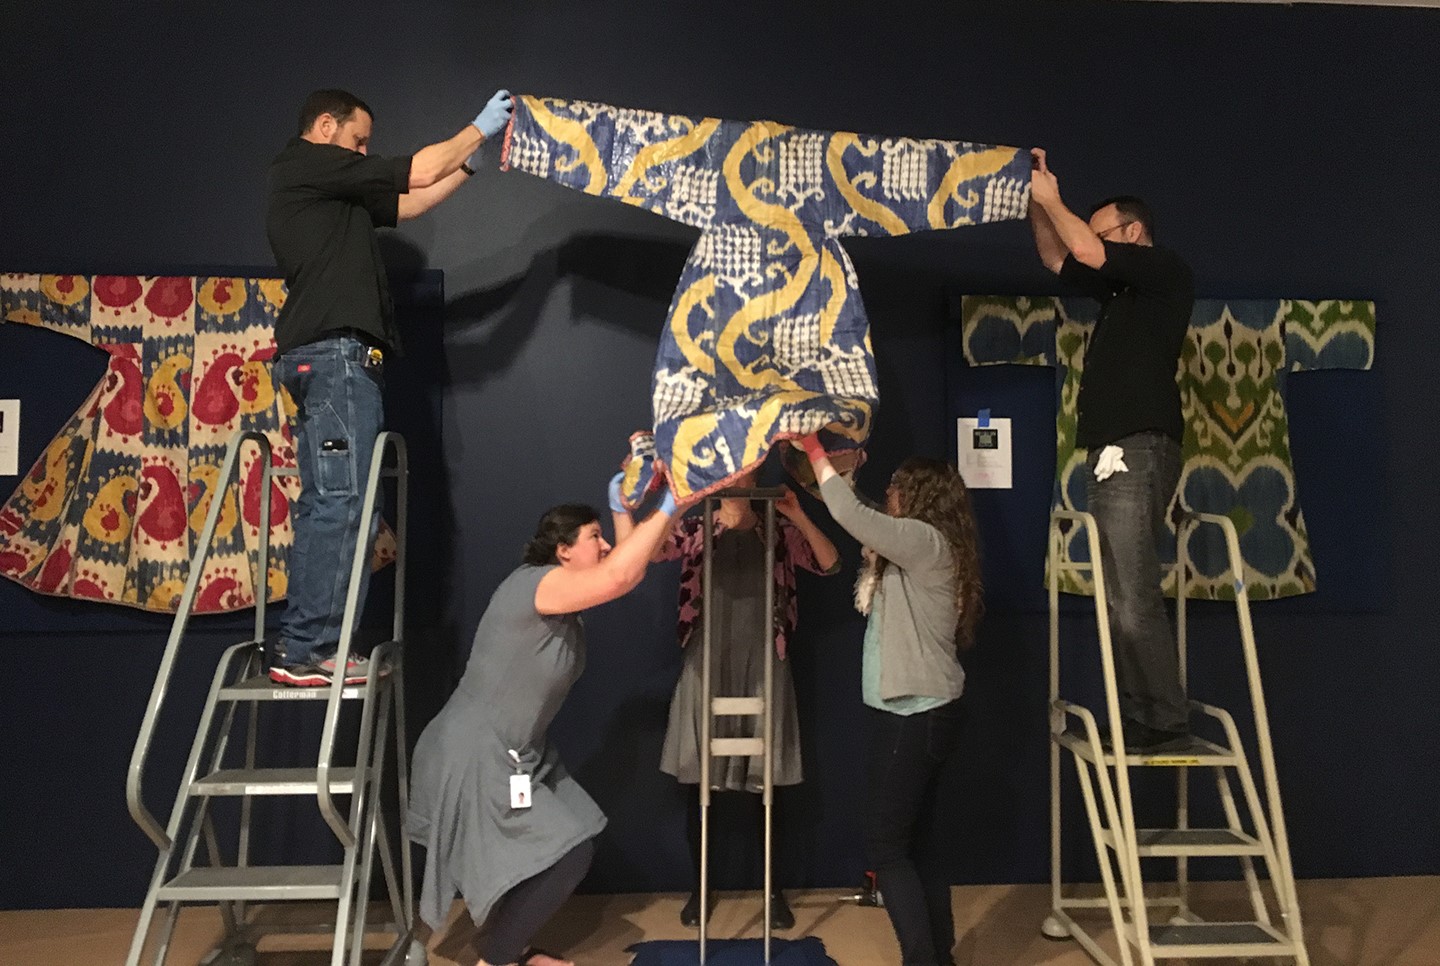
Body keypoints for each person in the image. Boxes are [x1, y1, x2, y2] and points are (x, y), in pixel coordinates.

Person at [265, 87, 513, 685]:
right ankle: (306, 650)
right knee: (341, 503)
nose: (364, 152)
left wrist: (470, 165)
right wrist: (477, 127)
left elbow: (411, 203)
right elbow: (420, 167)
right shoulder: (306, 163)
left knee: (340, 501)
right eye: (358, 141)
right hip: (335, 355)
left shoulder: (332, 193)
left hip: (333, 358)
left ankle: (309, 645)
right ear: (325, 127)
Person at [405, 486, 678, 966]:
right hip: (475, 751)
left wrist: (622, 510)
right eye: (595, 537)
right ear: (563, 550)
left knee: (565, 842)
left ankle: (502, 945)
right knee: (568, 854)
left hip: (517, 752)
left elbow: (634, 564)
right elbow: (620, 576)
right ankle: (500, 957)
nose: (606, 546)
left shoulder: (562, 597)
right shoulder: (538, 583)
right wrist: (676, 498)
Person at [611, 470, 838, 930]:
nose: (741, 474)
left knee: (766, 786)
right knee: (701, 784)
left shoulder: (777, 524)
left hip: (764, 659)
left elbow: (829, 563)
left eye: (749, 466)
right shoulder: (696, 525)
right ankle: (701, 887)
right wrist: (632, 503)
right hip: (707, 658)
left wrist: (798, 514)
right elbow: (645, 553)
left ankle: (773, 891)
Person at [1027, 148, 1196, 752]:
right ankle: (1146, 712)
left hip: (1136, 448)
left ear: (1134, 232)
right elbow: (1057, 256)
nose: (1090, 244)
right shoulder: (1121, 295)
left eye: (1101, 233)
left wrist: (1054, 199)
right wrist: (1035, 198)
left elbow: (1088, 251)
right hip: (1112, 454)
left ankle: (1162, 717)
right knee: (1122, 594)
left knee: (1131, 596)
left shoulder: (1164, 272)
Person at [797, 437, 982, 966]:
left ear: (918, 494)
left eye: (897, 486)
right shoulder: (927, 543)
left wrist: (814, 451)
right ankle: (936, 958)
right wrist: (839, 472)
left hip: (914, 715)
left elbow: (852, 515)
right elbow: (865, 516)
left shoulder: (923, 541)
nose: (889, 492)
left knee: (887, 849)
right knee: (920, 846)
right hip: (920, 711)